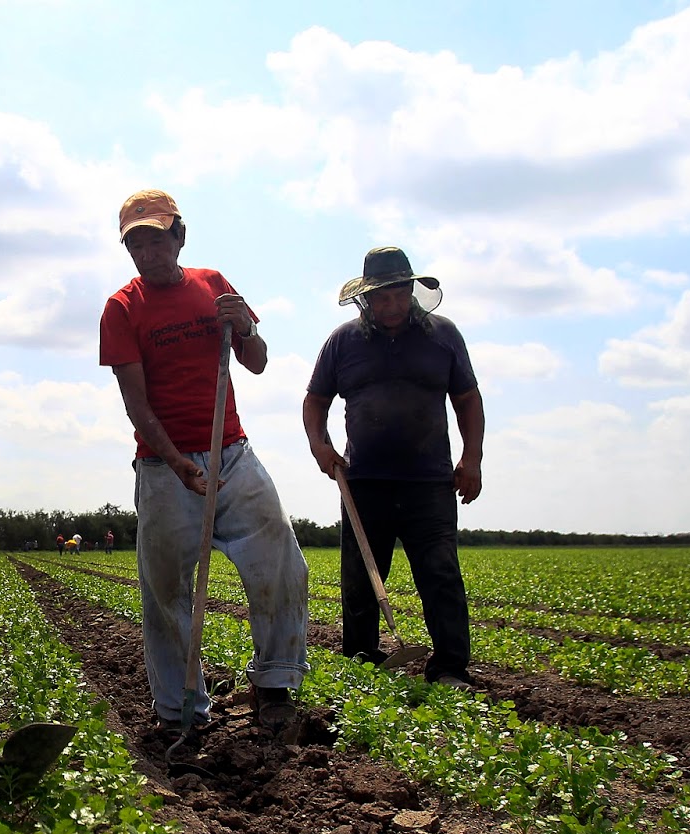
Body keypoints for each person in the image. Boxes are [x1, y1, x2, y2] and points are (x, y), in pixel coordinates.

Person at [99, 189, 309, 736]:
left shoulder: (214, 285)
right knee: (165, 592)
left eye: (156, 238)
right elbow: (137, 405)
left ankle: (275, 686)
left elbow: (257, 364)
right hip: (164, 468)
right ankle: (179, 711)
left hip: (232, 452)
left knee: (281, 558)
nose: (147, 251)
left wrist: (246, 328)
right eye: (135, 243)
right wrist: (175, 462)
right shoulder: (122, 308)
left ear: (179, 236)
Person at [303, 247, 484, 688]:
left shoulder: (443, 337)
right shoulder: (343, 342)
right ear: (366, 298)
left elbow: (467, 400)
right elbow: (315, 401)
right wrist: (321, 448)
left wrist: (472, 458)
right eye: (382, 298)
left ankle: (450, 667)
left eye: (400, 295)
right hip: (365, 483)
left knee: (440, 573)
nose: (392, 306)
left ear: (412, 291)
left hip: (430, 483)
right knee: (362, 581)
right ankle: (362, 661)